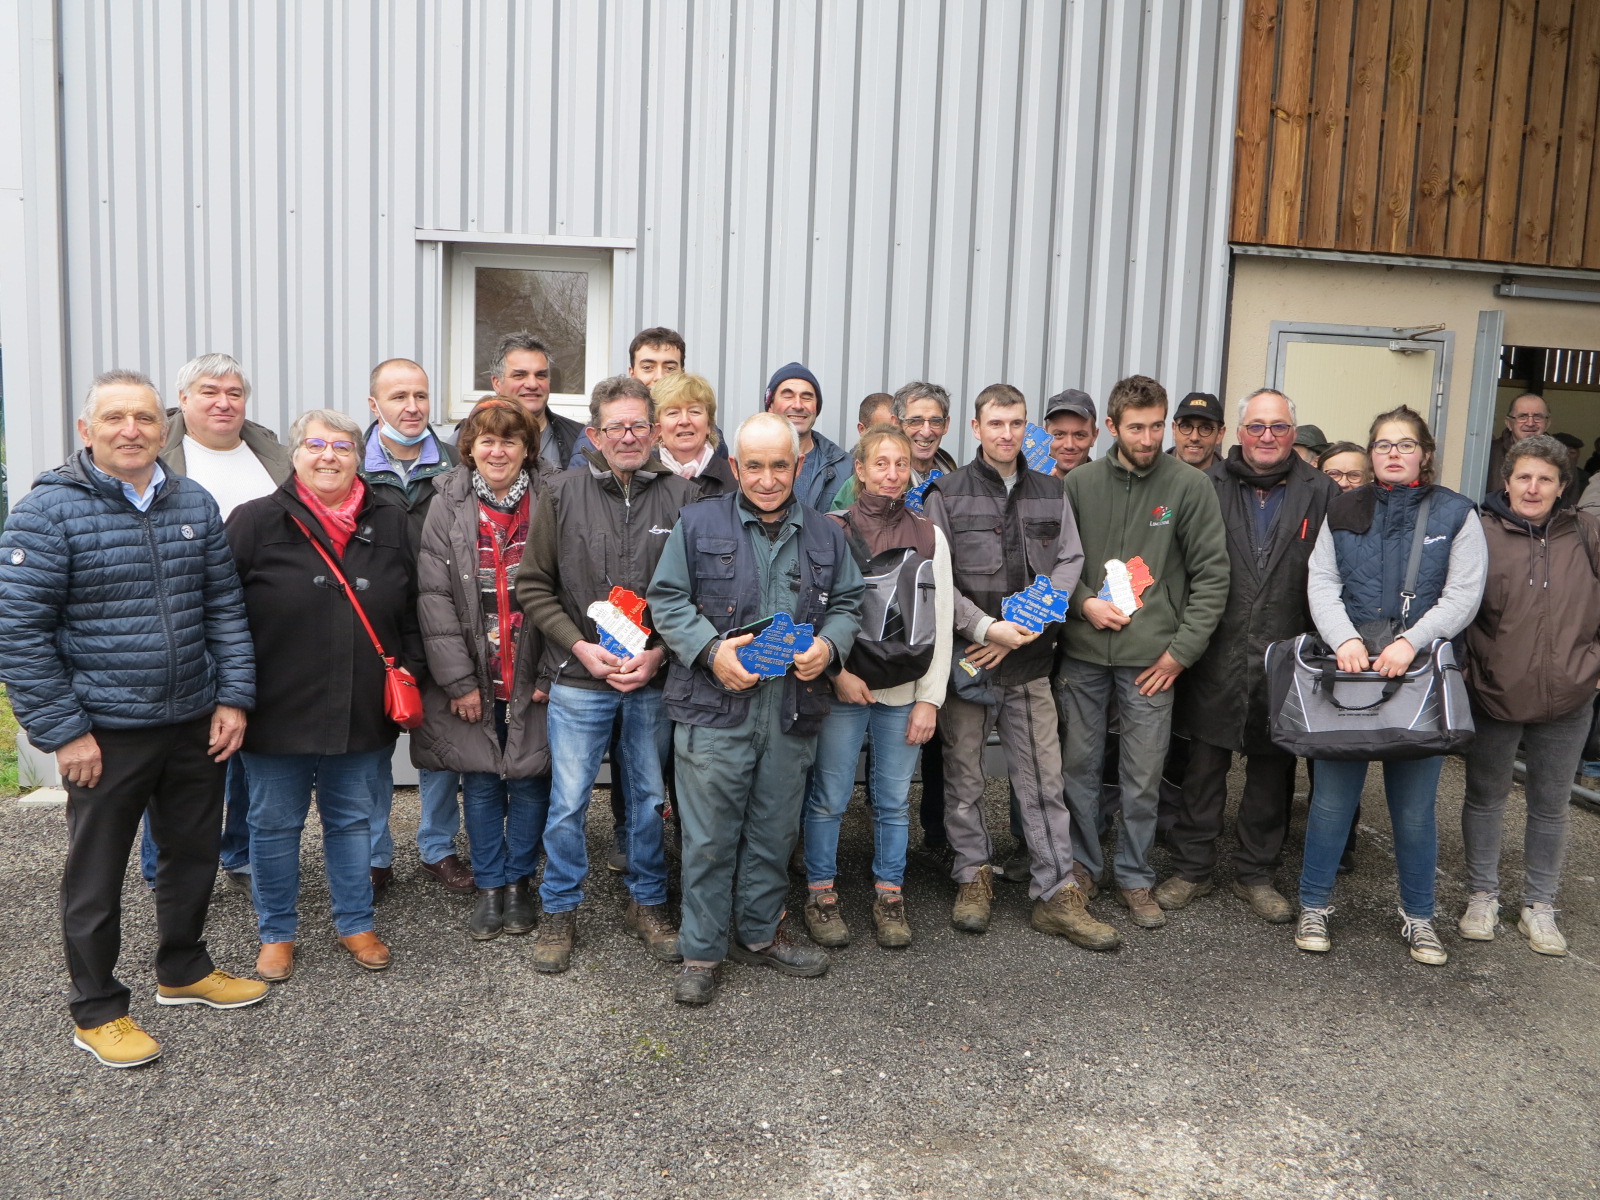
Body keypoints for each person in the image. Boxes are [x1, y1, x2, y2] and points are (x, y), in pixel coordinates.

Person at [0, 369, 266, 1068]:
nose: (131, 430)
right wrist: (62, 730)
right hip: (105, 732)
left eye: (145, 418)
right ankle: (96, 1010)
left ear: (163, 427)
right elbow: (19, 631)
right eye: (114, 418)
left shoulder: (192, 502)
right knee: (96, 875)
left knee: (191, 857)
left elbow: (223, 611)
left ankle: (182, 968)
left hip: (192, 722)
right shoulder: (47, 512)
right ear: (86, 432)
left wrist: (233, 697)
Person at [647, 412, 865, 1006]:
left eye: (779, 465)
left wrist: (829, 646)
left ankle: (760, 935)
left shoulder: (827, 534)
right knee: (710, 840)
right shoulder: (697, 522)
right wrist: (710, 651)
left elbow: (848, 603)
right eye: (755, 466)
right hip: (713, 712)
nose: (767, 479)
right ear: (736, 465)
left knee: (772, 834)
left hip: (792, 711)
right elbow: (665, 601)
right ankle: (701, 950)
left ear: (797, 465)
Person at [228, 408, 426, 981]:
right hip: (276, 709)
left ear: (358, 457)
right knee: (272, 824)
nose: (328, 457)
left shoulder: (389, 521)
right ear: (295, 455)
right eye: (315, 445)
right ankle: (277, 933)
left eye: (341, 447)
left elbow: (414, 608)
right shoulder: (255, 520)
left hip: (362, 707)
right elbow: (220, 612)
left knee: (352, 821)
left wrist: (409, 669)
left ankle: (355, 922)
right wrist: (233, 694)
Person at [922, 384, 1117, 949]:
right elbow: (939, 578)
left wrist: (1019, 633)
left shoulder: (1052, 493)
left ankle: (1056, 894)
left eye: (1016, 424)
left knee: (1043, 784)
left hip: (1029, 663)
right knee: (963, 781)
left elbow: (1070, 564)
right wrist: (986, 630)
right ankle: (973, 876)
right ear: (976, 429)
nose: (1006, 434)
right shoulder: (946, 494)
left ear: (1026, 429)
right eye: (996, 424)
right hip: (969, 663)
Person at [516, 375, 698, 973]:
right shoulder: (561, 493)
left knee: (648, 801)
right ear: (593, 433)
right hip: (579, 678)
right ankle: (560, 909)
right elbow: (534, 586)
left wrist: (660, 654)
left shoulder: (682, 499)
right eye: (615, 426)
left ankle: (646, 903)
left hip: (650, 682)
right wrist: (578, 646)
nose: (627, 436)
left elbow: (696, 594)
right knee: (567, 804)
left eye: (638, 425)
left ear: (655, 431)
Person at [1296, 405, 1486, 964]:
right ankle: (1314, 905)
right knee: (1332, 802)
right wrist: (1344, 641)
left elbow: (1463, 593)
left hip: (1419, 674)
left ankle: (1419, 917)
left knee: (1414, 808)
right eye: (1384, 445)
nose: (1394, 453)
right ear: (1372, 452)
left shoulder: (1456, 513)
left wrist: (1412, 642)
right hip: (1350, 671)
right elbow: (1322, 582)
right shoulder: (1343, 508)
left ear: (1424, 453)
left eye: (1406, 444)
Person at [1059, 375, 1229, 930]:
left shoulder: (1189, 487)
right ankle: (1084, 868)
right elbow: (1059, 565)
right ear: (1111, 428)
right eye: (1137, 427)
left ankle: (1134, 875)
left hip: (1152, 663)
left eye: (1158, 426)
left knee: (1142, 774)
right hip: (1083, 655)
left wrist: (1179, 654)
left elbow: (1212, 577)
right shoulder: (1079, 485)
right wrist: (1083, 604)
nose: (1150, 437)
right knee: (1080, 768)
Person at [1160, 389, 1336, 922]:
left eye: (1278, 427)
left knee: (1269, 767)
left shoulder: (1321, 491)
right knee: (1203, 766)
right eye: (1256, 427)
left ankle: (1255, 873)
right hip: (1216, 647)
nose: (1267, 437)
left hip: (1287, 649)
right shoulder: (1202, 486)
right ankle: (1192, 868)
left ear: (1292, 432)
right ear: (1237, 434)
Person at [800, 426, 954, 949]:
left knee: (891, 800)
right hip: (842, 690)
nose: (892, 474)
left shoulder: (930, 533)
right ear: (860, 469)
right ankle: (821, 891)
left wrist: (929, 699)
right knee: (829, 798)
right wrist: (836, 674)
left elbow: (943, 620)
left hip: (904, 694)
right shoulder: (830, 529)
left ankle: (890, 892)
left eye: (901, 464)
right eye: (880, 463)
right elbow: (811, 613)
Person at [145, 353, 291, 895]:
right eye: (210, 391)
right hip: (182, 620)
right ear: (182, 400)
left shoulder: (271, 453)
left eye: (234, 392)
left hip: (259, 622)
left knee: (248, 740)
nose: (224, 402)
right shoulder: (159, 456)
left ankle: (239, 850)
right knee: (179, 747)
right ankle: (162, 860)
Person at [413, 399, 551, 941]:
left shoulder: (551, 499)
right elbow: (434, 598)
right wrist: (459, 682)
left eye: (510, 441)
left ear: (526, 450)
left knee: (533, 778)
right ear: (469, 447)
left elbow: (568, 588)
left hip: (533, 669)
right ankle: (491, 884)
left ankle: (521, 881)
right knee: (482, 781)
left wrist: (547, 674)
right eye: (487, 441)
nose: (498, 451)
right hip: (477, 671)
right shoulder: (445, 502)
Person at [1459, 434, 1600, 957]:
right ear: (1507, 481)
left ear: (1563, 486)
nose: (1533, 488)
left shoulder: (1587, 532)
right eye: (1524, 477)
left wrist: (1595, 666)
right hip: (1495, 693)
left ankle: (1540, 905)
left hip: (1570, 695)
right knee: (1486, 797)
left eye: (1546, 479)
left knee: (1550, 805)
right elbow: (1458, 603)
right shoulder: (1479, 531)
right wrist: (1472, 668)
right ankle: (1483, 895)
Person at [360, 358, 471, 899]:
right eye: (399, 396)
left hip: (440, 622)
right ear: (373, 404)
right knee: (373, 746)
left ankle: (438, 846)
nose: (412, 406)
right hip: (372, 624)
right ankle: (374, 855)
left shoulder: (454, 464)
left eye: (421, 395)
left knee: (441, 741)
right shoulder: (349, 464)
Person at [492, 332, 585, 471]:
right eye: (519, 375)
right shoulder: (469, 436)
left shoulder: (580, 439)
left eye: (540, 375)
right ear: (497, 383)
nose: (532, 384)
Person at [765, 362, 850, 510]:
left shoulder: (846, 468)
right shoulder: (747, 463)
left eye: (807, 397)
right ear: (770, 406)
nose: (798, 405)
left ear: (816, 408)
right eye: (788, 396)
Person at [652, 370, 734, 497]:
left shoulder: (735, 479)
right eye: (673, 412)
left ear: (709, 424)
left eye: (695, 411)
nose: (684, 421)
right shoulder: (641, 477)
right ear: (658, 427)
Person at [827, 394, 899, 510]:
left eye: (895, 431)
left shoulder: (905, 474)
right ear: (862, 429)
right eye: (880, 432)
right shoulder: (844, 477)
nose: (889, 439)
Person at [1485, 393, 1550, 496]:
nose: (1530, 423)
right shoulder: (1488, 454)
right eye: (1522, 416)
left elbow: (1568, 506)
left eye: (1537, 417)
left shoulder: (1561, 458)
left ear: (1547, 424)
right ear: (1509, 423)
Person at [1044, 389, 1097, 476]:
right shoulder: (1024, 485)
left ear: (1094, 436)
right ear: (1045, 435)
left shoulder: (1107, 486)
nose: (1069, 445)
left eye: (1079, 435)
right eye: (1059, 434)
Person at [1169, 392, 1226, 471]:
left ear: (1220, 434)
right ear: (1174, 429)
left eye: (1205, 428)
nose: (1194, 437)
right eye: (1186, 426)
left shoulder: (1234, 482)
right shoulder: (1151, 476)